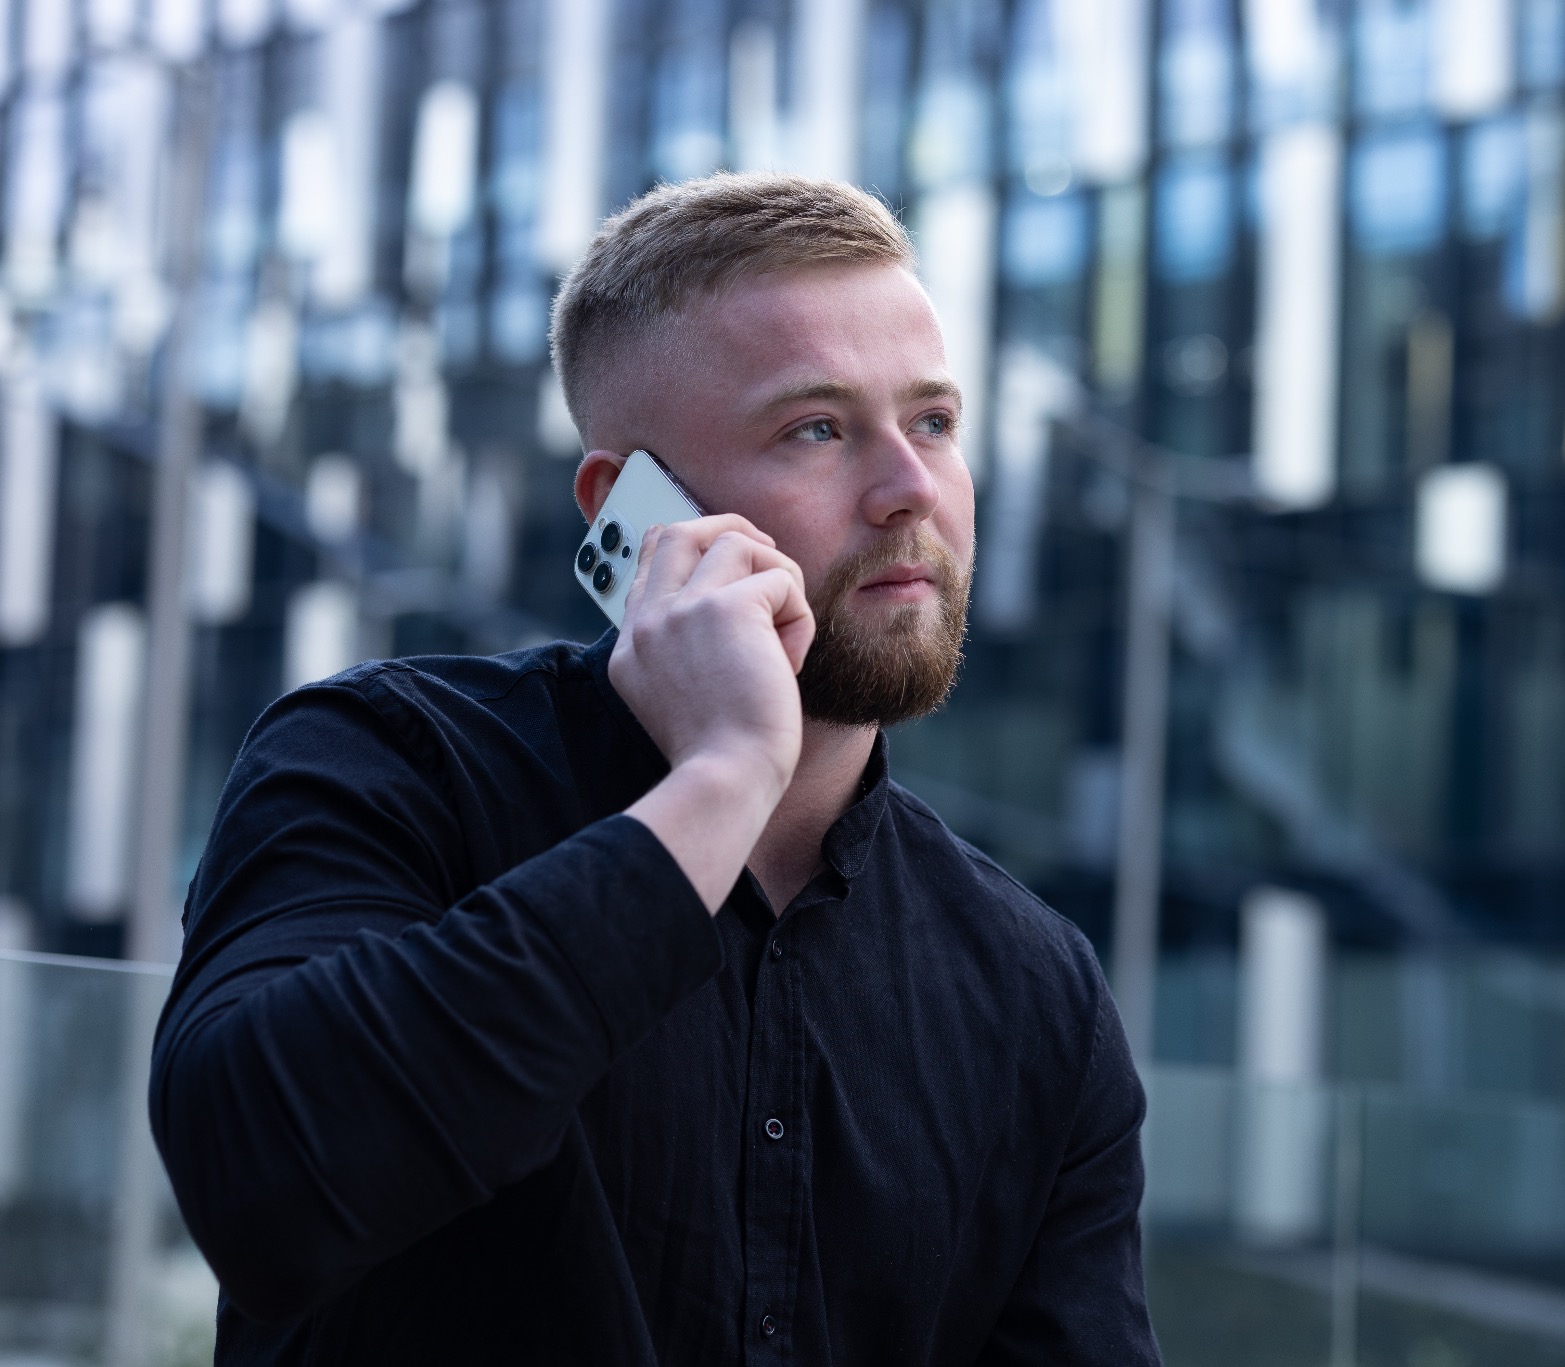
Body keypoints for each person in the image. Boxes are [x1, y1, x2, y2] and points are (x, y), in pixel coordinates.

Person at [150, 173, 1159, 1366]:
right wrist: (722, 779)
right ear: (628, 510)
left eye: (934, 422)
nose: (909, 490)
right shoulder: (389, 763)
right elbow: (260, 1180)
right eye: (816, 428)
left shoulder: (1033, 985)